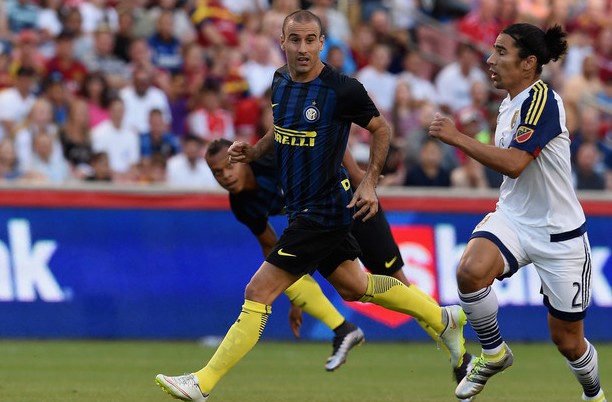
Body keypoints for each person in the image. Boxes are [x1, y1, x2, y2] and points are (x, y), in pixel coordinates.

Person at [156, 10, 468, 402]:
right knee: (356, 286)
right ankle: (443, 317)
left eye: (310, 40)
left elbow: (381, 129)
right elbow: (280, 129)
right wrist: (254, 152)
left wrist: (369, 182)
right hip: (301, 209)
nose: (302, 48)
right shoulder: (280, 81)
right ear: (282, 42)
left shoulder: (341, 89)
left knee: (258, 290)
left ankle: (203, 383)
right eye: (295, 39)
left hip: (324, 210)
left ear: (322, 42)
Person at [429, 23, 608, 402]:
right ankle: (494, 352)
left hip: (559, 234)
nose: (490, 60)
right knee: (469, 271)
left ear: (529, 63)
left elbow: (514, 163)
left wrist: (457, 137)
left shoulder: (542, 101)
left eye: (501, 52)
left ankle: (594, 395)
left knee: (568, 341)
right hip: (513, 218)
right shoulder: (509, 103)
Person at [204, 138, 475, 377]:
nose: (226, 176)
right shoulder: (242, 205)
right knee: (353, 288)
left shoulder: (271, 156)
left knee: (398, 282)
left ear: (242, 159)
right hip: (320, 222)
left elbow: (330, 135)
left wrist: (356, 174)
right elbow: (270, 249)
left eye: (229, 166)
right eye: (217, 172)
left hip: (355, 204)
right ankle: (346, 329)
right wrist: (292, 294)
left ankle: (461, 356)